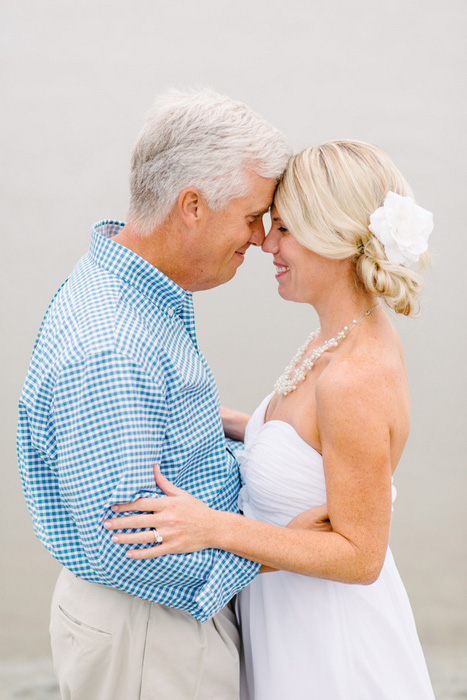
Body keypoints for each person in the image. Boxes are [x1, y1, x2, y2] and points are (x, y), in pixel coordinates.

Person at [105, 140, 436, 699]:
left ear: (332, 237)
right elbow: (300, 444)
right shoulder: (334, 338)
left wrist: (212, 527)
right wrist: (178, 410)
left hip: (331, 649)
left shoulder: (354, 377)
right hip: (287, 623)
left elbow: (361, 556)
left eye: (283, 229)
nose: (265, 244)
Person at [17, 88, 291, 700]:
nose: (261, 237)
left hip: (153, 625)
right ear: (192, 205)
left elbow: (156, 417)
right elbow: (125, 547)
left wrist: (272, 436)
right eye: (253, 215)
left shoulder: (133, 283)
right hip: (151, 632)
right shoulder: (114, 346)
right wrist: (280, 551)